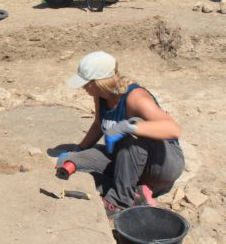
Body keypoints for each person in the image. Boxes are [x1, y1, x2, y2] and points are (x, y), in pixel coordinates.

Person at [56, 51, 184, 217]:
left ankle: (120, 201)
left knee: (131, 136)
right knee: (69, 162)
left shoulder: (135, 98)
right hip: (125, 161)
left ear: (101, 82)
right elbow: (97, 124)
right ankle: (136, 192)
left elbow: (173, 129)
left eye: (86, 83)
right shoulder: (101, 95)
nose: (83, 87)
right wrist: (79, 149)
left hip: (161, 165)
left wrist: (129, 127)